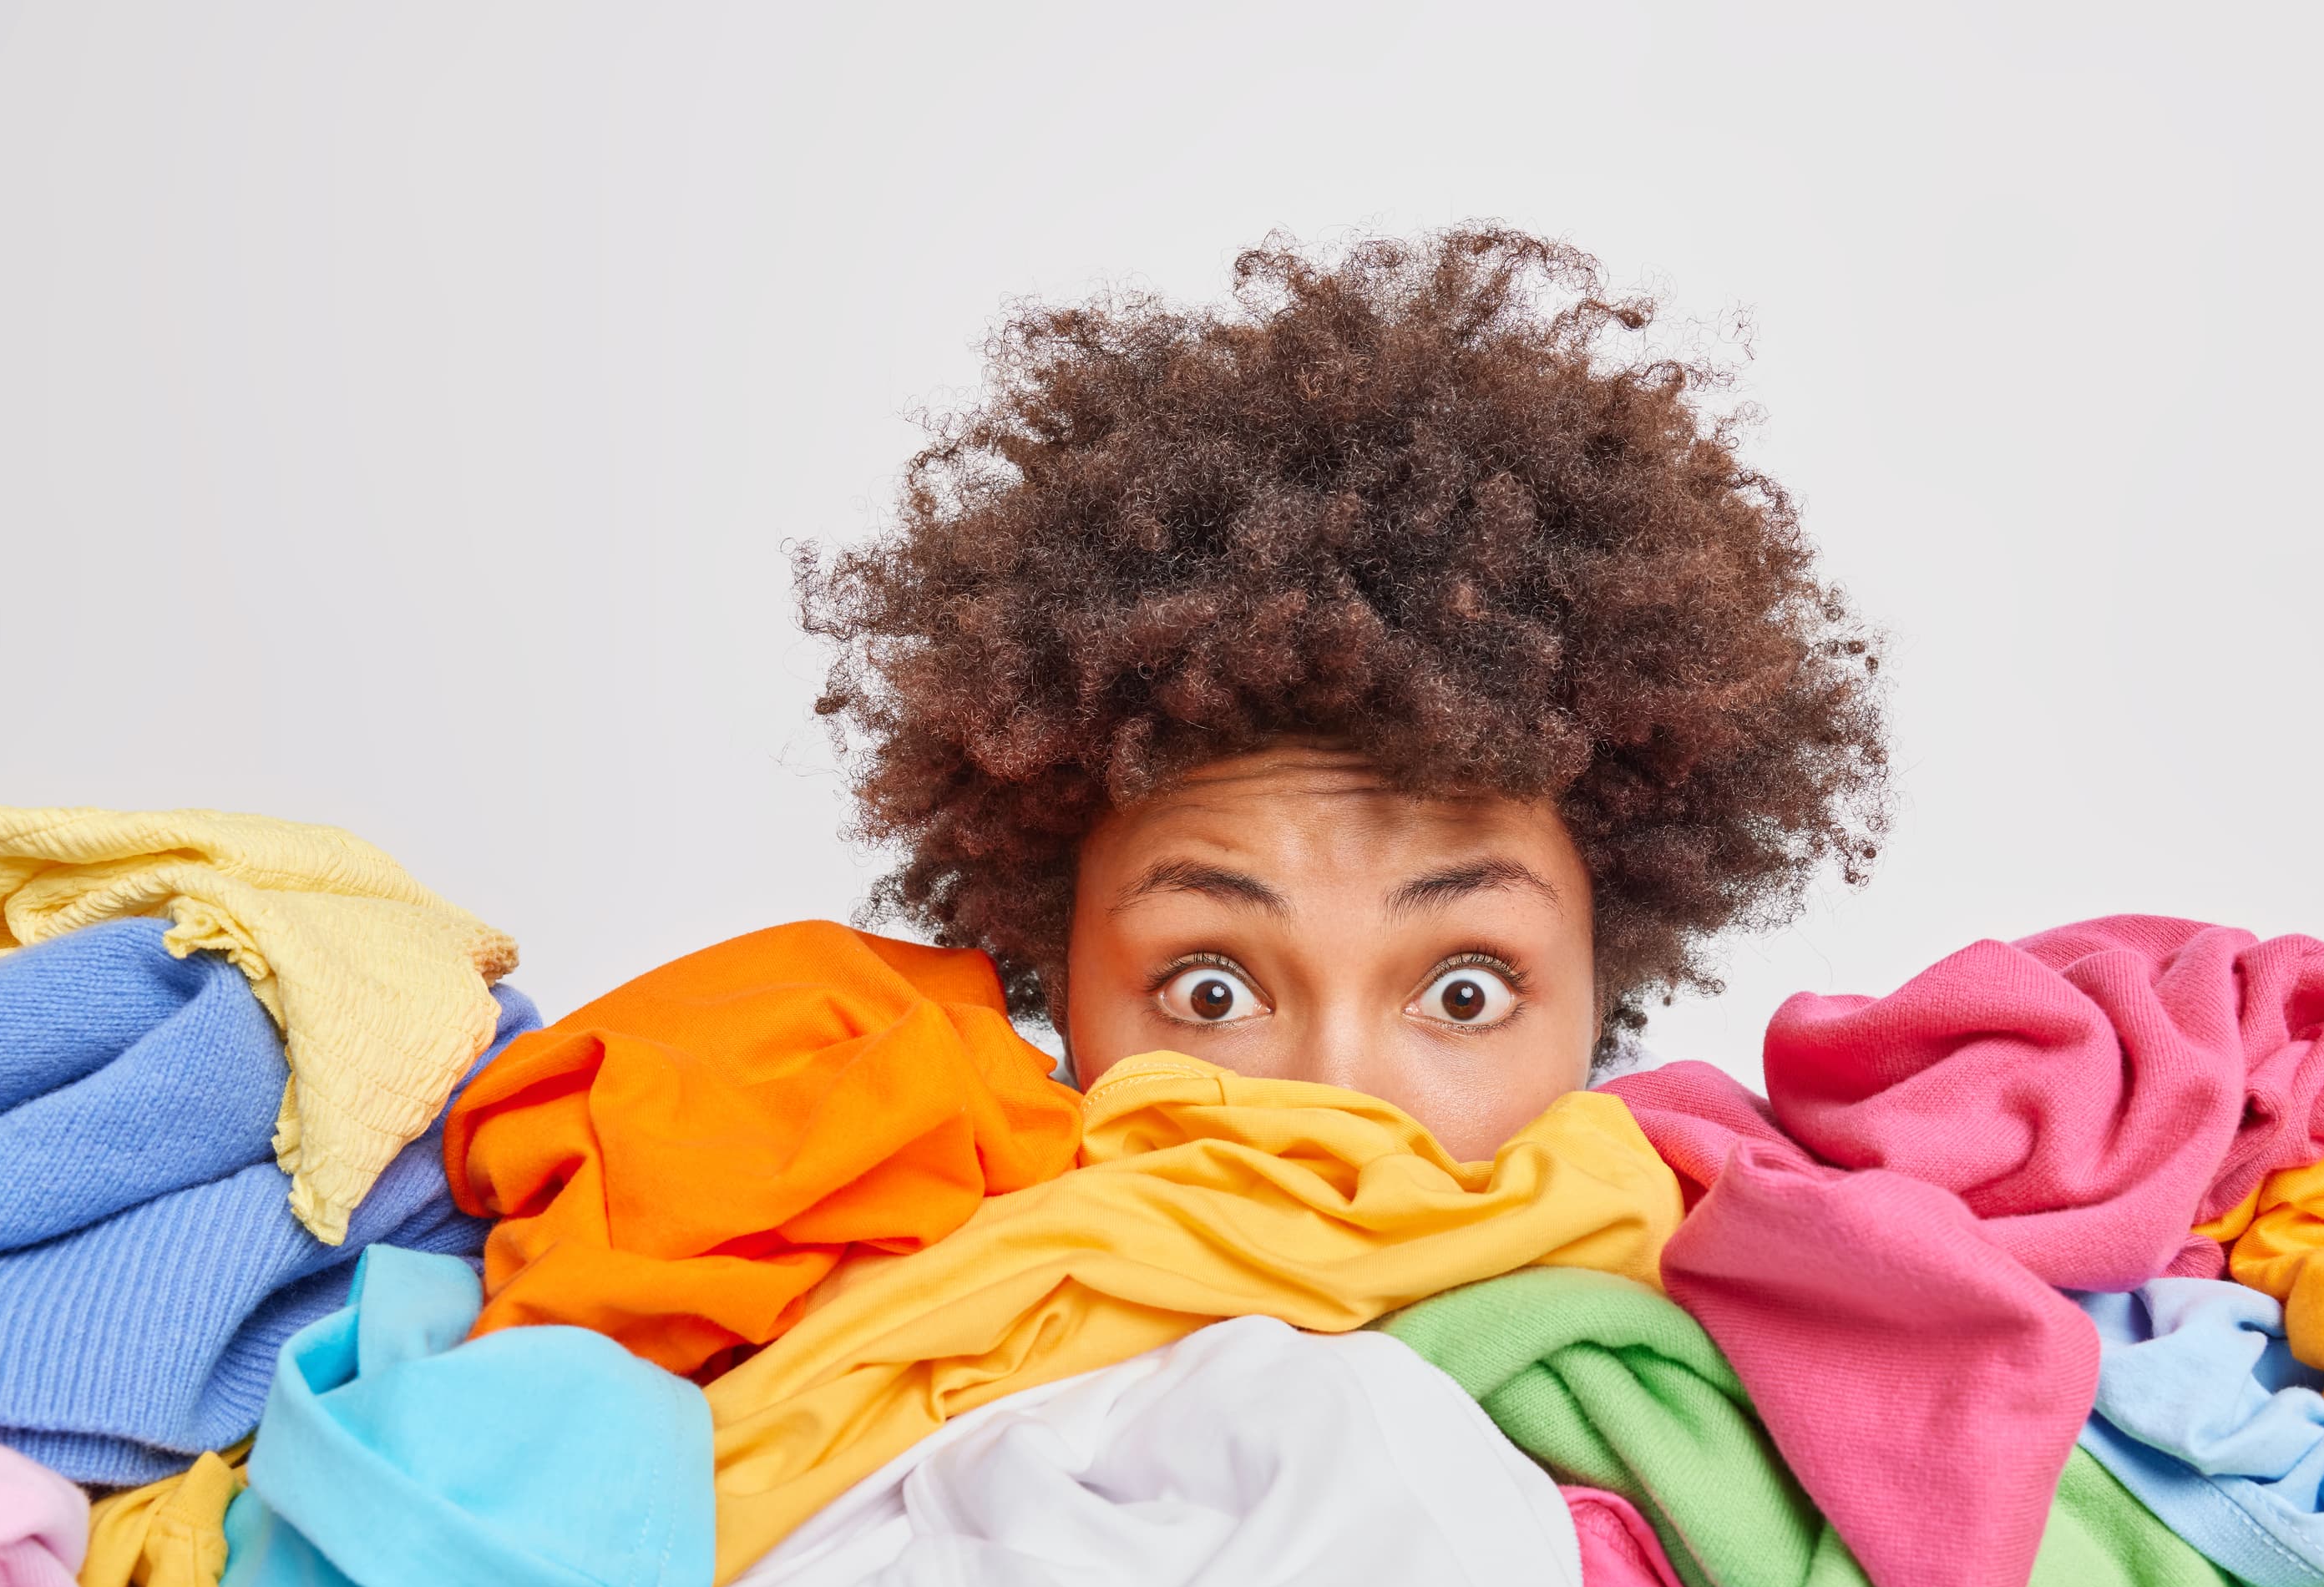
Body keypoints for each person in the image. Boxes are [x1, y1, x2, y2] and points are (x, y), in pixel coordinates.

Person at [798, 227, 1888, 1158]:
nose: (1336, 1114)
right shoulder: (887, 1360)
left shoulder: (1772, 1345)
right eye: (1208, 993)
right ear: (1061, 993)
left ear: (1600, 1005)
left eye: (1467, 993)